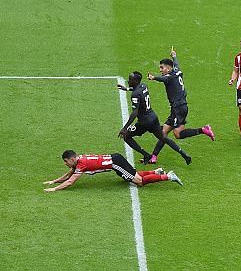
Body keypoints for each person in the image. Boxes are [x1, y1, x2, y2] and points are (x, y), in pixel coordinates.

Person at [146, 47, 215, 164]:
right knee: (164, 132)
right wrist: (174, 56)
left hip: (178, 108)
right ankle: (154, 156)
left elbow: (163, 78)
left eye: (162, 67)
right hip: (180, 107)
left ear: (168, 68)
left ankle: (203, 130)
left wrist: (154, 77)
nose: (160, 69)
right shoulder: (177, 70)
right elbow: (176, 64)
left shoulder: (169, 76)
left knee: (174, 134)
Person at [117, 71, 192, 165]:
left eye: (130, 79)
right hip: (153, 118)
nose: (128, 80)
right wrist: (127, 88)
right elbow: (138, 91)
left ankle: (146, 155)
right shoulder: (144, 86)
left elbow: (134, 113)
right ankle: (184, 154)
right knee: (164, 138)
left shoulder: (135, 95)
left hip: (144, 123)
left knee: (126, 136)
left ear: (135, 81)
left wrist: (125, 128)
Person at [43, 150, 183, 192]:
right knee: (133, 175)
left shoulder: (81, 165)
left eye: (66, 161)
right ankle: (156, 171)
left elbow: (70, 182)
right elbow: (68, 176)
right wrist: (53, 181)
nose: (65, 164)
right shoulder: (79, 161)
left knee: (138, 182)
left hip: (116, 163)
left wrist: (54, 189)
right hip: (115, 160)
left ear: (72, 159)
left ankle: (168, 176)